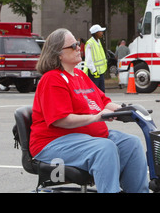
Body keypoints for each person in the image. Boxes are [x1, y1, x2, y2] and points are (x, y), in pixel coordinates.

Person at [29, 28, 149, 193]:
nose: (79, 47)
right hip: (53, 142)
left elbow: (104, 102)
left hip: (88, 138)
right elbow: (61, 120)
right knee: (105, 148)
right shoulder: (52, 79)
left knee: (132, 143)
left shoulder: (79, 75)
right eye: (73, 46)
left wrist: (128, 110)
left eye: (78, 44)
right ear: (58, 54)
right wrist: (96, 118)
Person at [84, 24, 107, 92]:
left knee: (101, 91)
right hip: (94, 72)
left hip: (100, 71)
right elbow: (89, 60)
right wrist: (94, 71)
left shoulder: (98, 41)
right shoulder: (90, 43)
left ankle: (102, 103)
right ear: (96, 33)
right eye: (100, 31)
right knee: (95, 91)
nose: (102, 33)